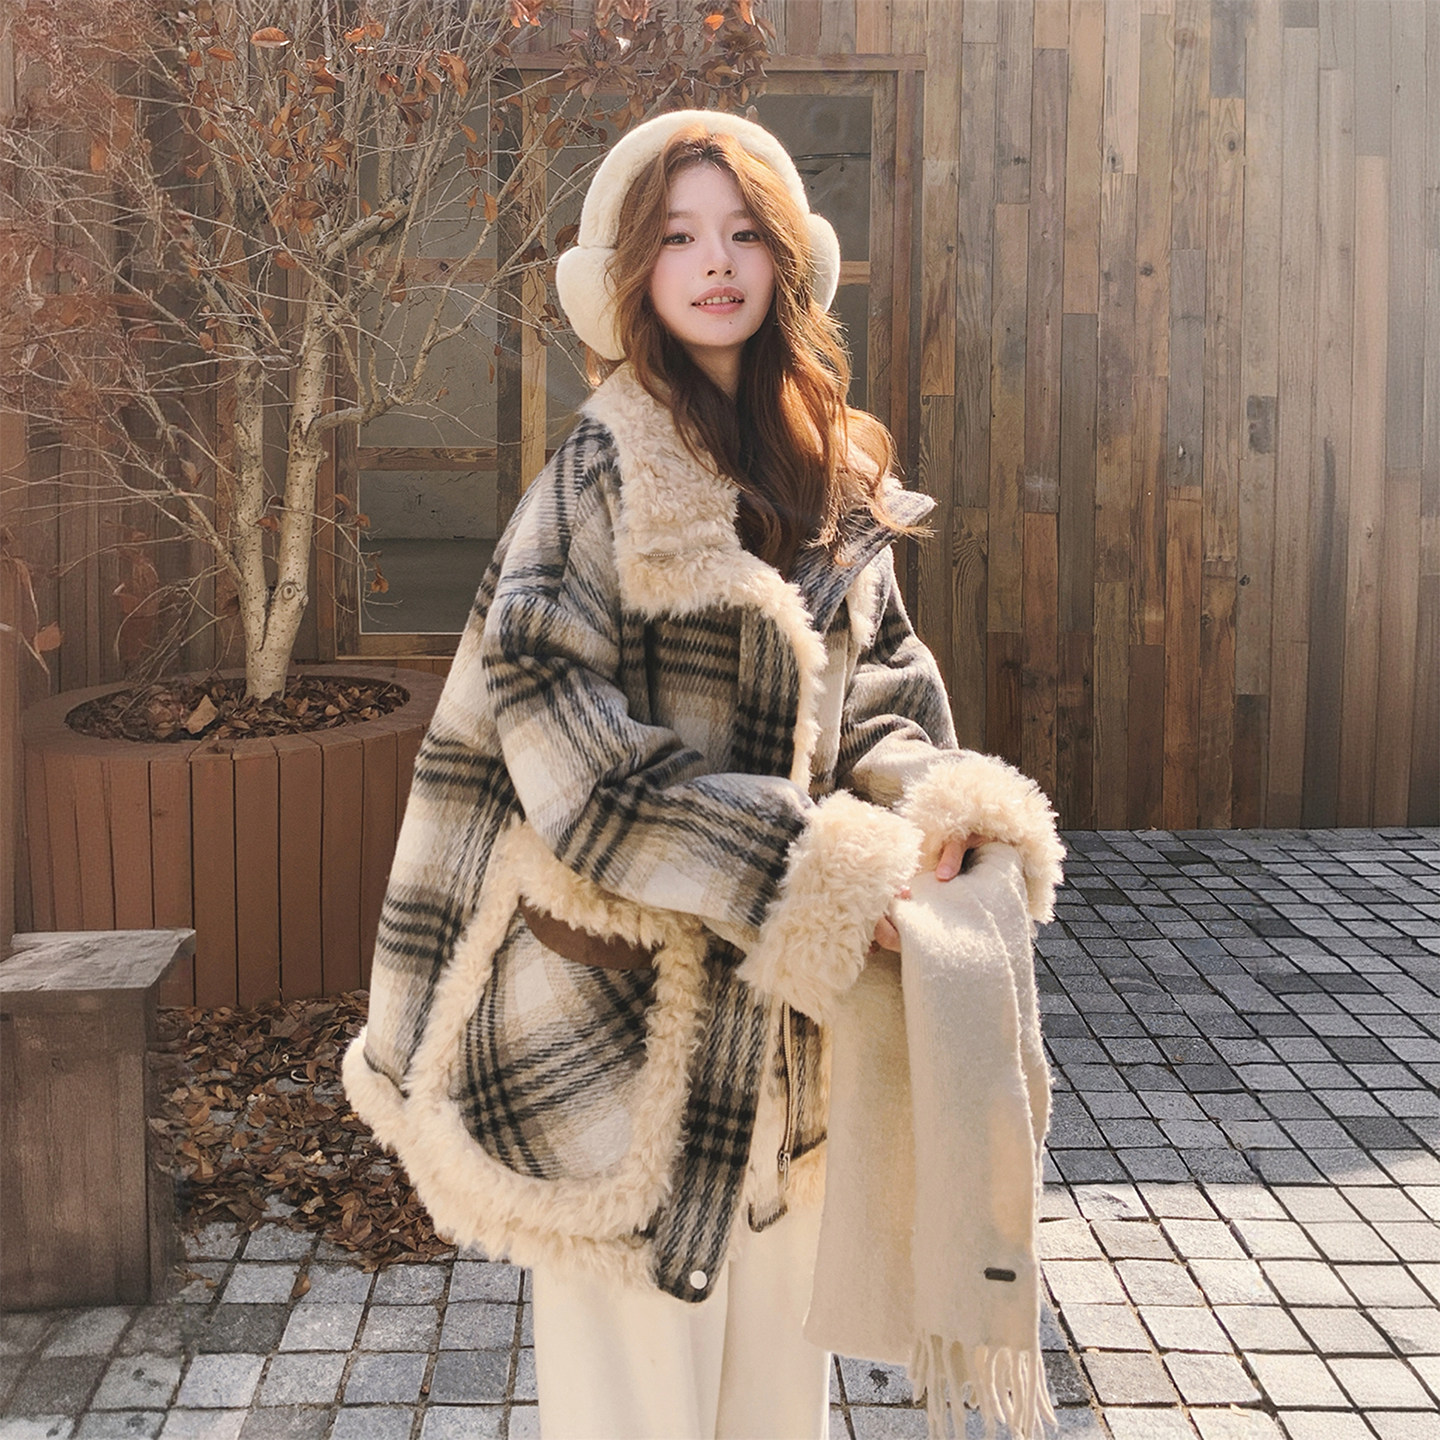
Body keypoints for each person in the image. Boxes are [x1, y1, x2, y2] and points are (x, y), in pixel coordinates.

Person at [344, 108, 1062, 1440]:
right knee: (636, 1409)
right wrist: (825, 876)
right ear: (632, 274)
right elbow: (577, 768)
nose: (715, 262)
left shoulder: (829, 476)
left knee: (773, 1404)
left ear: (788, 259)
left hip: (785, 1038)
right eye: (678, 238)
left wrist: (937, 816)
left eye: (742, 234)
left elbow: (881, 693)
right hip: (623, 1037)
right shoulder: (594, 482)